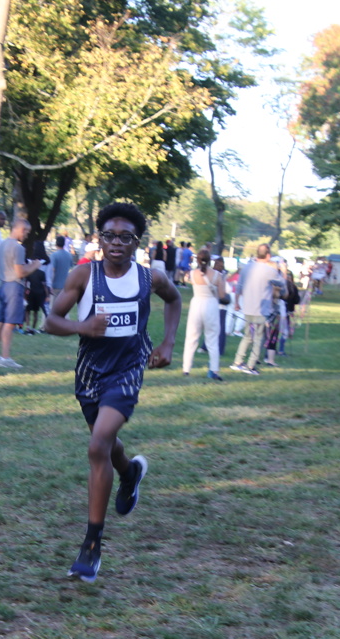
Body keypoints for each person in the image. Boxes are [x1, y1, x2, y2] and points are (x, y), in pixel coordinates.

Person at [45, 202, 181, 583]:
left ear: (137, 242)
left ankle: (91, 545)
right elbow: (51, 321)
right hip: (90, 373)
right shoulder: (83, 275)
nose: (117, 243)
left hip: (128, 369)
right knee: (105, 444)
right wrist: (82, 327)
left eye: (125, 237)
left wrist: (168, 343)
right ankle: (130, 471)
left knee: (97, 445)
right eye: (109, 235)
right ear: (99, 239)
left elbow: (174, 300)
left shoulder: (149, 278)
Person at [0, 218, 41, 368]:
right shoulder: (18, 248)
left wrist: (28, 265)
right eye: (26, 232)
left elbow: (12, 267)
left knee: (0, 321)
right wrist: (35, 265)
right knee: (10, 323)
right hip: (14, 287)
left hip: (3, 285)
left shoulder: (2, 245)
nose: (26, 235)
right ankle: (5, 358)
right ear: (20, 229)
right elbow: (20, 273)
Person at [230, 244, 281, 375]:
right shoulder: (270, 271)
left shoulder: (246, 268)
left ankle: (237, 361)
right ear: (268, 255)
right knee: (257, 338)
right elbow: (281, 283)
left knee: (247, 336)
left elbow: (239, 287)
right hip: (261, 310)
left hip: (248, 307)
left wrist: (237, 303)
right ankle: (250, 365)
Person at [182, 248, 227, 380]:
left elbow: (186, 279)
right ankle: (214, 369)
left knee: (191, 338)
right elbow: (222, 295)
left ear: (197, 260)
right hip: (211, 305)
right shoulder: (217, 275)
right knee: (212, 338)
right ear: (209, 260)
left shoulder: (192, 273)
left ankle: (186, 368)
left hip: (196, 304)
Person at [24, 245, 51, 333]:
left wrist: (25, 293)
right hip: (41, 292)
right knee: (40, 311)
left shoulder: (29, 267)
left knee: (28, 310)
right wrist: (47, 294)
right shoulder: (46, 264)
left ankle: (28, 327)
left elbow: (26, 283)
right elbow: (45, 283)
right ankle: (37, 327)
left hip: (31, 292)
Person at [49, 235, 74, 318]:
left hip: (55, 285)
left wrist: (50, 284)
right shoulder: (69, 255)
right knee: (64, 306)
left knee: (53, 307)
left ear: (56, 244)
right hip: (65, 285)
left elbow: (52, 270)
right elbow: (71, 268)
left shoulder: (54, 256)